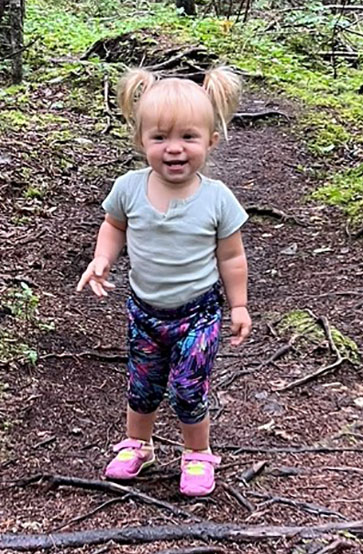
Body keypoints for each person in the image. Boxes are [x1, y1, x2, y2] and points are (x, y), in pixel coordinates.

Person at [77, 66, 251, 497]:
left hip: (198, 314)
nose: (174, 149)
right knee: (143, 383)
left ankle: (197, 453)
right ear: (141, 141)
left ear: (211, 140)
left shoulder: (217, 198)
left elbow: (231, 256)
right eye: (160, 138)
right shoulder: (129, 188)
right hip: (145, 312)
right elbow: (113, 226)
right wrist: (102, 259)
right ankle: (139, 444)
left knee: (190, 387)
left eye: (188, 137)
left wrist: (240, 305)